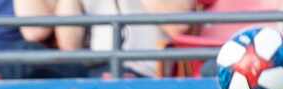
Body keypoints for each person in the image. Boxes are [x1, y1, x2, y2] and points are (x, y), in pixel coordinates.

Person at [54, 0, 195, 78]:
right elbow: (69, 45)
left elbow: (179, 25)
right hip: (94, 67)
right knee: (36, 63)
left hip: (142, 70)